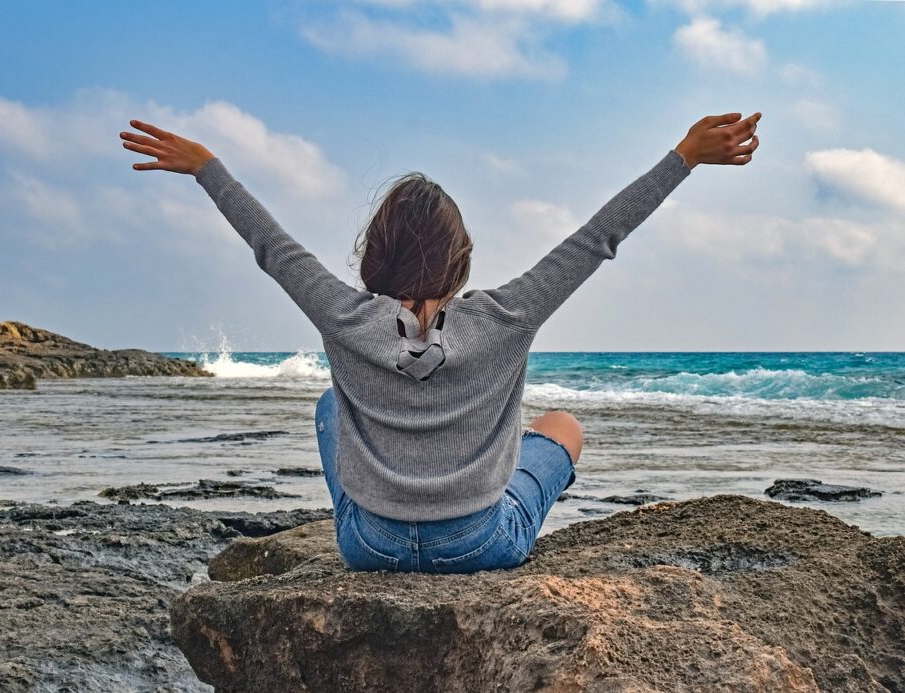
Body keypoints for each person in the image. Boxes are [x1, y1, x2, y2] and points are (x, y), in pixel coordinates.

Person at [120, 111, 762, 573]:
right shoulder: (508, 315)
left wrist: (207, 168)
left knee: (328, 404)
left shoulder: (343, 316)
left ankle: (400, 510)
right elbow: (598, 237)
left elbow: (271, 247)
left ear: (375, 252)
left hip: (368, 547)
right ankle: (481, 499)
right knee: (561, 425)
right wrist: (684, 156)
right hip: (482, 544)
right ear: (462, 258)